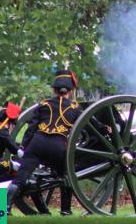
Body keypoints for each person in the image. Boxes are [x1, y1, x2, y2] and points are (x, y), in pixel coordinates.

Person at [7, 70, 81, 215]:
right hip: (58, 146)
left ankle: (6, 207)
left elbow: (31, 129)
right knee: (66, 175)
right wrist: (105, 128)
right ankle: (65, 210)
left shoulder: (43, 104)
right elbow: (89, 123)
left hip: (37, 144)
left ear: (54, 89)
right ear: (70, 91)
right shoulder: (75, 108)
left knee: (21, 177)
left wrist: (24, 147)